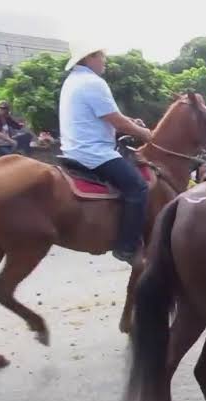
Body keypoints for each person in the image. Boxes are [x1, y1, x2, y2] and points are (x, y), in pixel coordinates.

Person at [59, 41, 153, 264]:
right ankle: (127, 247)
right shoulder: (93, 82)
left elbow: (110, 115)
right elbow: (116, 121)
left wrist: (131, 122)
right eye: (101, 56)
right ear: (90, 57)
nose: (105, 61)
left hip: (75, 148)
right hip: (93, 152)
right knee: (138, 187)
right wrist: (145, 134)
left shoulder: (73, 81)